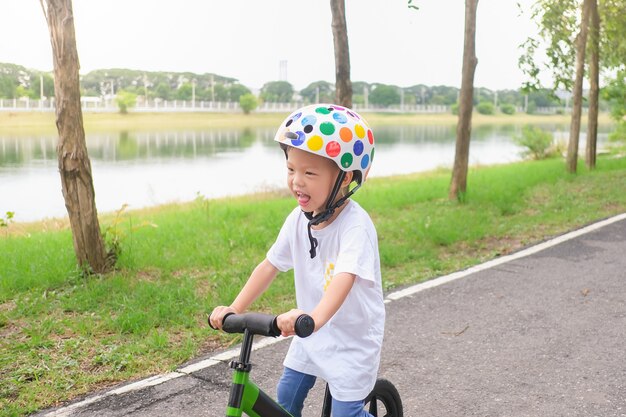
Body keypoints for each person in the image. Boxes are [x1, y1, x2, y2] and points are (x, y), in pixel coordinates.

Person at [209, 104, 385, 417]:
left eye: (309, 173)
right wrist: (235, 309)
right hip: (312, 334)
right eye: (291, 170)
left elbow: (344, 279)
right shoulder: (298, 220)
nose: (296, 182)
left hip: (350, 340)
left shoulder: (355, 226)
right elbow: (270, 266)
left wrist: (314, 319)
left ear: (345, 178)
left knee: (346, 415)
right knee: (285, 398)